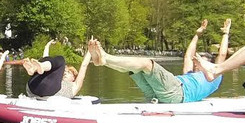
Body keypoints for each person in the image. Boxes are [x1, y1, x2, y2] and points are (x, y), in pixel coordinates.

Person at [87, 18, 232, 103]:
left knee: (146, 63)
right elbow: (188, 56)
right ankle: (103, 62)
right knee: (134, 68)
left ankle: (106, 58)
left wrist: (225, 33)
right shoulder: (189, 73)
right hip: (157, 94)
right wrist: (197, 34)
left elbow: (222, 54)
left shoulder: (215, 75)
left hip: (178, 92)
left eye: (200, 61)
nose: (196, 63)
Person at [22, 38, 91, 99]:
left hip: (46, 90)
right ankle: (35, 68)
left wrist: (90, 50)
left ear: (74, 78)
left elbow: (84, 65)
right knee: (47, 65)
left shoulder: (75, 86)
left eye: (69, 72)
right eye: (64, 71)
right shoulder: (55, 79)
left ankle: (35, 68)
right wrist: (47, 46)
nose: (65, 72)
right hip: (33, 85)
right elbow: (46, 59)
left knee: (61, 60)